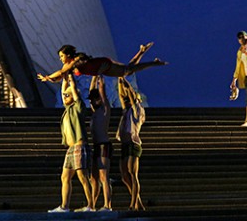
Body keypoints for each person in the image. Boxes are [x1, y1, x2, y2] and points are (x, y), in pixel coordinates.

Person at [48, 73, 93, 213]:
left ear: (74, 97)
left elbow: (73, 89)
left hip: (79, 147)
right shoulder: (67, 111)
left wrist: (71, 79)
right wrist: (64, 80)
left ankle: (91, 206)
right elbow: (63, 92)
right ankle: (64, 206)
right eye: (65, 96)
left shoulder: (78, 107)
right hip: (71, 149)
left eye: (68, 96)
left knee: (82, 177)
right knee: (65, 177)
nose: (65, 97)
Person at [37, 42, 167, 82]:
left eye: (61, 56)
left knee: (127, 71)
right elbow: (59, 77)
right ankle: (142, 51)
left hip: (103, 65)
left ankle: (154, 63)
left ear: (69, 55)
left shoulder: (76, 60)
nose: (60, 58)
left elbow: (60, 72)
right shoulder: (68, 65)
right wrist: (48, 79)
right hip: (100, 69)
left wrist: (48, 76)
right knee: (127, 69)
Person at [116, 77, 146, 211]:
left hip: (133, 143)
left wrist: (126, 82)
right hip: (125, 144)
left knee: (133, 173)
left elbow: (132, 96)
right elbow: (122, 97)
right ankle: (137, 200)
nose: (127, 101)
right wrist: (119, 80)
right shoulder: (126, 110)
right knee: (124, 175)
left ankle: (133, 204)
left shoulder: (138, 110)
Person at [88, 75, 113, 211]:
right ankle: (92, 204)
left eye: (94, 99)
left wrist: (100, 80)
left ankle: (107, 205)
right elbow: (91, 92)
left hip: (104, 145)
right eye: (91, 100)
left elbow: (102, 94)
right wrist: (93, 78)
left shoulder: (104, 110)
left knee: (104, 176)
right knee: (94, 178)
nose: (92, 102)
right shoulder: (95, 112)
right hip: (96, 146)